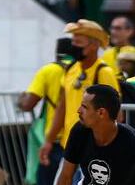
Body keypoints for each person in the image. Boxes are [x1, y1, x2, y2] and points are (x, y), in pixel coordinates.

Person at [39, 20, 120, 168]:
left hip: (93, 148)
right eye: (73, 41)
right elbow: (61, 107)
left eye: (79, 42)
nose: (74, 46)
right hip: (70, 146)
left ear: (94, 45)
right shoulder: (71, 70)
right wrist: (49, 140)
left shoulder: (103, 72)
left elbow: (116, 113)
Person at [18, 38, 75, 185]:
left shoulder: (49, 71)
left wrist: (20, 100)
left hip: (55, 142)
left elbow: (28, 104)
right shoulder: (82, 71)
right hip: (81, 141)